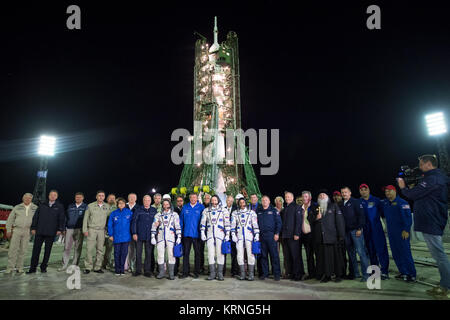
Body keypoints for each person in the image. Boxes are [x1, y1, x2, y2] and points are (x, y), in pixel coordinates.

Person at [398, 154, 449, 297]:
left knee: (439, 255)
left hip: (432, 221)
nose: (419, 167)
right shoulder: (431, 178)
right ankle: (445, 283)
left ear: (428, 164)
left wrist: (403, 188)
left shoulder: (434, 179)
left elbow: (413, 194)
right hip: (430, 221)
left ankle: (447, 286)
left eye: (421, 164)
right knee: (437, 255)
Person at [381, 185, 417, 282]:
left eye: (389, 191)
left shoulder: (402, 203)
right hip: (392, 233)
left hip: (402, 233)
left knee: (405, 253)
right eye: (386, 191)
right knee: (396, 253)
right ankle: (403, 272)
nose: (387, 193)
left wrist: (406, 230)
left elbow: (408, 217)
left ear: (395, 191)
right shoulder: (385, 203)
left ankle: (412, 274)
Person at [27, 190, 65, 274]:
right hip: (40, 231)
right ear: (48, 196)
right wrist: (33, 228)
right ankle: (32, 268)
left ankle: (43, 267)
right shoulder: (42, 205)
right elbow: (35, 217)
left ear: (56, 197)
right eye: (51, 195)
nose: (52, 196)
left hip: (51, 232)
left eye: (54, 195)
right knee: (36, 250)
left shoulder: (59, 206)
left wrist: (60, 229)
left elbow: (61, 219)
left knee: (47, 251)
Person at [359, 184, 390, 279]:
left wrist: (387, 227)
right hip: (366, 230)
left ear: (368, 190)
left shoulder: (376, 200)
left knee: (381, 250)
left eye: (365, 189)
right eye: (361, 190)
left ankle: (384, 271)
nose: (363, 191)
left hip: (377, 230)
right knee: (371, 251)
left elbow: (384, 215)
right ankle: (375, 271)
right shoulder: (359, 202)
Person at [340, 187, 370, 282]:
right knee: (351, 254)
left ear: (350, 193)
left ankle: (366, 275)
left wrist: (359, 228)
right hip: (346, 232)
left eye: (346, 192)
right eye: (342, 192)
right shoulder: (341, 204)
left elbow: (361, 215)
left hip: (355, 231)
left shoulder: (356, 202)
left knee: (361, 253)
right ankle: (355, 273)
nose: (344, 194)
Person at [316, 191, 346, 283]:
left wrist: (341, 235)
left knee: (336, 258)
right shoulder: (317, 208)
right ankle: (327, 275)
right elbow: (311, 220)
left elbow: (339, 221)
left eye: (323, 195)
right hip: (322, 238)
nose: (322, 196)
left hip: (333, 236)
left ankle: (338, 275)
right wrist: (317, 218)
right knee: (325, 259)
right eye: (320, 195)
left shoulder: (333, 206)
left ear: (327, 197)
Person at [5, 193, 38, 274]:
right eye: (25, 198)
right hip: (17, 230)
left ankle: (20, 267)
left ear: (31, 199)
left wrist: (35, 229)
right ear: (23, 199)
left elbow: (38, 220)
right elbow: (10, 219)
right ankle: (10, 267)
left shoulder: (35, 208)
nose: (27, 199)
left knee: (23, 250)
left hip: (27, 231)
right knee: (13, 249)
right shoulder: (17, 207)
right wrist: (8, 230)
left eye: (29, 198)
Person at [200, 195, 230, 281]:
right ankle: (212, 273)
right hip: (210, 235)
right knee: (210, 254)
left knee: (220, 254)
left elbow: (227, 223)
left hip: (220, 235)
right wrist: (202, 232)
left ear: (218, 200)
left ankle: (220, 273)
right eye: (212, 200)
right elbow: (203, 222)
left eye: (215, 200)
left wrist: (227, 234)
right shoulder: (206, 210)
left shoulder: (224, 210)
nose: (214, 202)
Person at [151, 199, 182, 280]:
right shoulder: (158, 215)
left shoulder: (174, 215)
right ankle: (161, 272)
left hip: (171, 237)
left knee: (171, 255)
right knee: (160, 255)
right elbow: (154, 226)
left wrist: (179, 236)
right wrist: (152, 236)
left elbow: (177, 226)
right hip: (160, 237)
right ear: (162, 205)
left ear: (170, 204)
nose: (165, 206)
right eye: (164, 204)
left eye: (167, 204)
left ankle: (171, 273)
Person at [231, 197, 260, 281]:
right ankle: (242, 274)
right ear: (238, 204)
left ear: (246, 203)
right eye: (240, 203)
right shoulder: (235, 213)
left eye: (243, 202)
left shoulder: (251, 213)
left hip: (249, 236)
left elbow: (255, 225)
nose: (242, 204)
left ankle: (251, 274)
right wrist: (233, 234)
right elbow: (233, 225)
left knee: (250, 255)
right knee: (239, 255)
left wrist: (256, 234)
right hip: (239, 237)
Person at [82, 190, 111, 274]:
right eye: (99, 195)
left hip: (101, 231)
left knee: (100, 249)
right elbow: (85, 219)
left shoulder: (107, 206)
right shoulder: (90, 206)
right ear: (96, 197)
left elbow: (110, 218)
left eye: (102, 196)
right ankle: (88, 267)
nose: (101, 197)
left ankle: (97, 267)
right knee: (89, 249)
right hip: (92, 229)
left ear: (104, 197)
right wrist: (85, 230)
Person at [58, 192, 87, 271]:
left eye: (80, 197)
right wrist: (63, 228)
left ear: (83, 198)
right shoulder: (70, 206)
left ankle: (74, 265)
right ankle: (64, 265)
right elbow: (65, 218)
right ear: (75, 198)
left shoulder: (86, 207)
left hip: (79, 229)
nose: (78, 198)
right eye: (77, 197)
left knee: (77, 248)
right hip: (69, 229)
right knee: (67, 247)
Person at [179, 193, 204, 278]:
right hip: (186, 234)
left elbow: (203, 221)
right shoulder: (185, 207)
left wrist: (202, 233)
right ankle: (185, 272)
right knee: (186, 254)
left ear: (197, 198)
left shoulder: (201, 207)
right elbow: (181, 221)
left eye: (195, 197)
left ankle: (196, 272)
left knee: (197, 254)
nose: (193, 199)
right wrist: (181, 233)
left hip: (197, 235)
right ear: (189, 199)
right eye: (191, 197)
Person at [256, 195, 281, 281]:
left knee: (274, 255)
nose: (264, 202)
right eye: (263, 200)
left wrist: (277, 234)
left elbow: (279, 223)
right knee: (263, 256)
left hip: (271, 236)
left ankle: (277, 274)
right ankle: (265, 273)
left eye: (266, 200)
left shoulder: (274, 211)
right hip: (262, 236)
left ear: (269, 201)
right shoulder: (258, 211)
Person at [132, 195, 157, 277]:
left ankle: (147, 271)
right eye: (145, 200)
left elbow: (157, 221)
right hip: (139, 235)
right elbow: (134, 222)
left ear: (150, 201)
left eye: (148, 200)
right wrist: (134, 233)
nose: (147, 202)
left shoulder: (154, 210)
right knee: (138, 253)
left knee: (148, 254)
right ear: (143, 201)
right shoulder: (138, 210)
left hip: (149, 235)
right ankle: (138, 270)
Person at [280, 191, 303, 281]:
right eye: (286, 197)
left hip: (293, 236)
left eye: (288, 197)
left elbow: (298, 222)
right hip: (286, 236)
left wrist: (297, 233)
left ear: (292, 198)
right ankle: (292, 273)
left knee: (295, 256)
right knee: (288, 256)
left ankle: (298, 274)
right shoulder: (285, 208)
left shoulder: (296, 207)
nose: (287, 198)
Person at [108, 198, 132, 275]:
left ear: (125, 204)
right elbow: (110, 225)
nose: (121, 204)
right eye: (119, 203)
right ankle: (117, 269)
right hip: (116, 237)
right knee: (117, 253)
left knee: (124, 253)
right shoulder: (113, 213)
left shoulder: (129, 213)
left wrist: (132, 234)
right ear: (117, 204)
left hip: (126, 237)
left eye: (123, 203)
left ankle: (122, 269)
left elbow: (132, 224)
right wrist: (111, 235)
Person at [298, 191, 317, 280]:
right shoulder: (300, 208)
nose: (304, 198)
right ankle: (311, 273)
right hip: (304, 235)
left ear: (310, 197)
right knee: (309, 256)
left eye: (306, 196)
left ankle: (319, 272)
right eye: (303, 197)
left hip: (313, 234)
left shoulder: (314, 206)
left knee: (317, 255)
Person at [333, 190, 349, 277]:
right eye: (335, 196)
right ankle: (340, 272)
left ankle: (348, 272)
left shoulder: (344, 205)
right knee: (339, 254)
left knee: (348, 253)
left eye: (338, 196)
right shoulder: (332, 206)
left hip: (346, 232)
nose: (336, 197)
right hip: (337, 234)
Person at [223, 195, 238, 277]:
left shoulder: (236, 210)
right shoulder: (223, 209)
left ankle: (234, 271)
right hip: (225, 234)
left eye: (232, 201)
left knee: (234, 254)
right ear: (226, 201)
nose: (230, 202)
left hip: (233, 235)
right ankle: (223, 270)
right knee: (224, 253)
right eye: (229, 200)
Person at [102, 194, 117, 270]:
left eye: (113, 198)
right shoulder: (103, 206)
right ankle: (106, 263)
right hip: (105, 230)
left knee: (116, 248)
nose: (112, 199)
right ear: (107, 199)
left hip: (116, 230)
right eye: (110, 198)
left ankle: (115, 263)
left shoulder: (117, 207)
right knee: (108, 248)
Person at [125, 193, 138, 273]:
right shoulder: (124, 207)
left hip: (134, 232)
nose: (132, 199)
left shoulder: (138, 207)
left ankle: (132, 265)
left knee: (133, 250)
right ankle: (125, 265)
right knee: (125, 250)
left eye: (133, 197)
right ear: (128, 198)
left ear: (136, 199)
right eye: (130, 197)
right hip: (124, 232)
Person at [199, 193, 211, 274]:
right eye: (205, 198)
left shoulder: (213, 207)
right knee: (201, 250)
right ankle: (201, 267)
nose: (206, 199)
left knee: (211, 250)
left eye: (208, 198)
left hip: (211, 232)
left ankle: (211, 267)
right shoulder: (201, 207)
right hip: (203, 231)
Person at [173, 195, 184, 276]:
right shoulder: (174, 210)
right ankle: (175, 269)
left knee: (185, 252)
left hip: (184, 233)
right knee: (176, 251)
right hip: (176, 233)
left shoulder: (185, 209)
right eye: (178, 201)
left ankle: (184, 269)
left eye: (181, 201)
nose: (179, 202)